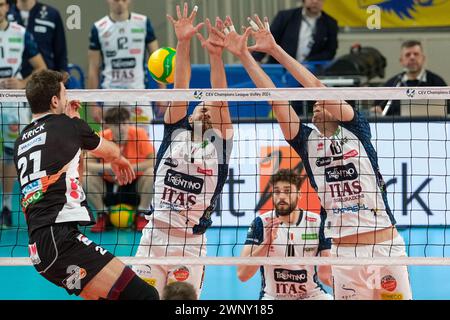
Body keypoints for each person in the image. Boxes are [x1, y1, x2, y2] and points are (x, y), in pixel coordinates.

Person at [219, 15, 412, 300]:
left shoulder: (356, 128)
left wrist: (275, 50)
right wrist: (245, 55)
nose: (318, 104)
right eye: (315, 104)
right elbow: (276, 99)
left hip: (384, 249)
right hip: (344, 256)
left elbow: (317, 88)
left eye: (324, 101)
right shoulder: (307, 143)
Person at [13, 70, 159, 300]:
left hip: (40, 248)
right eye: (64, 93)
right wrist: (118, 159)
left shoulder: (22, 140)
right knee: (145, 296)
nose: (67, 97)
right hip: (60, 239)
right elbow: (111, 150)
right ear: (54, 101)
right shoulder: (68, 125)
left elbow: (75, 176)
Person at [132, 3, 233, 298]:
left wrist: (215, 56)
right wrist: (183, 42)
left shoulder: (219, 146)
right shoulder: (175, 131)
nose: (205, 110)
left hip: (189, 243)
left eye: (210, 109)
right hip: (154, 236)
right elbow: (182, 85)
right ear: (189, 115)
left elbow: (221, 98)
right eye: (200, 106)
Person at [238, 169, 333, 300]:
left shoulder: (317, 222)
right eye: (276, 192)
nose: (281, 196)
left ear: (299, 194)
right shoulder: (261, 223)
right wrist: (266, 243)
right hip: (273, 297)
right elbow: (242, 275)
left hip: (312, 295)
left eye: (288, 191)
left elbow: (327, 274)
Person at [0, 0, 46, 227]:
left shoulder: (21, 33)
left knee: (13, 154)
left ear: (7, 8)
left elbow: (41, 68)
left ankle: (7, 207)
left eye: (0, 4)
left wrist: (21, 83)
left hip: (12, 103)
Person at [88, 0, 166, 124]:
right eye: (116, 0)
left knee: (143, 140)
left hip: (139, 95)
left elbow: (156, 59)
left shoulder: (143, 22)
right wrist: (93, 104)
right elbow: (93, 68)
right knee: (112, 141)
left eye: (123, 0)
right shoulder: (98, 28)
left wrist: (162, 93)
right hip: (111, 97)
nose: (120, 3)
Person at [84, 107, 155, 232]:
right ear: (108, 125)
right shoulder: (101, 137)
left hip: (134, 186)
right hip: (110, 187)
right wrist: (109, 168)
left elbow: (153, 161)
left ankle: (142, 214)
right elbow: (85, 164)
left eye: (125, 123)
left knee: (151, 173)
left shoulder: (139, 134)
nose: (121, 127)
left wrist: (127, 168)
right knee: (86, 176)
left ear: (129, 123)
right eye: (116, 124)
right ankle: (103, 215)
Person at [373, 40, 449, 116]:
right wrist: (376, 111)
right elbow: (377, 108)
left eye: (416, 54)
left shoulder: (437, 82)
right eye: (407, 55)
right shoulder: (391, 84)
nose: (412, 57)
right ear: (401, 61)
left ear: (423, 59)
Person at [252, 0, 338, 64]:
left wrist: (309, 62)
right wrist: (256, 59)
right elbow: (269, 39)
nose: (315, 1)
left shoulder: (330, 23)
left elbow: (330, 51)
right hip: (281, 68)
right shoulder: (285, 16)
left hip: (311, 71)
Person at [7, 0, 68, 78]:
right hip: (12, 83)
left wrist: (61, 81)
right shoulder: (5, 14)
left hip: (46, 82)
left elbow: (61, 55)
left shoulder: (52, 14)